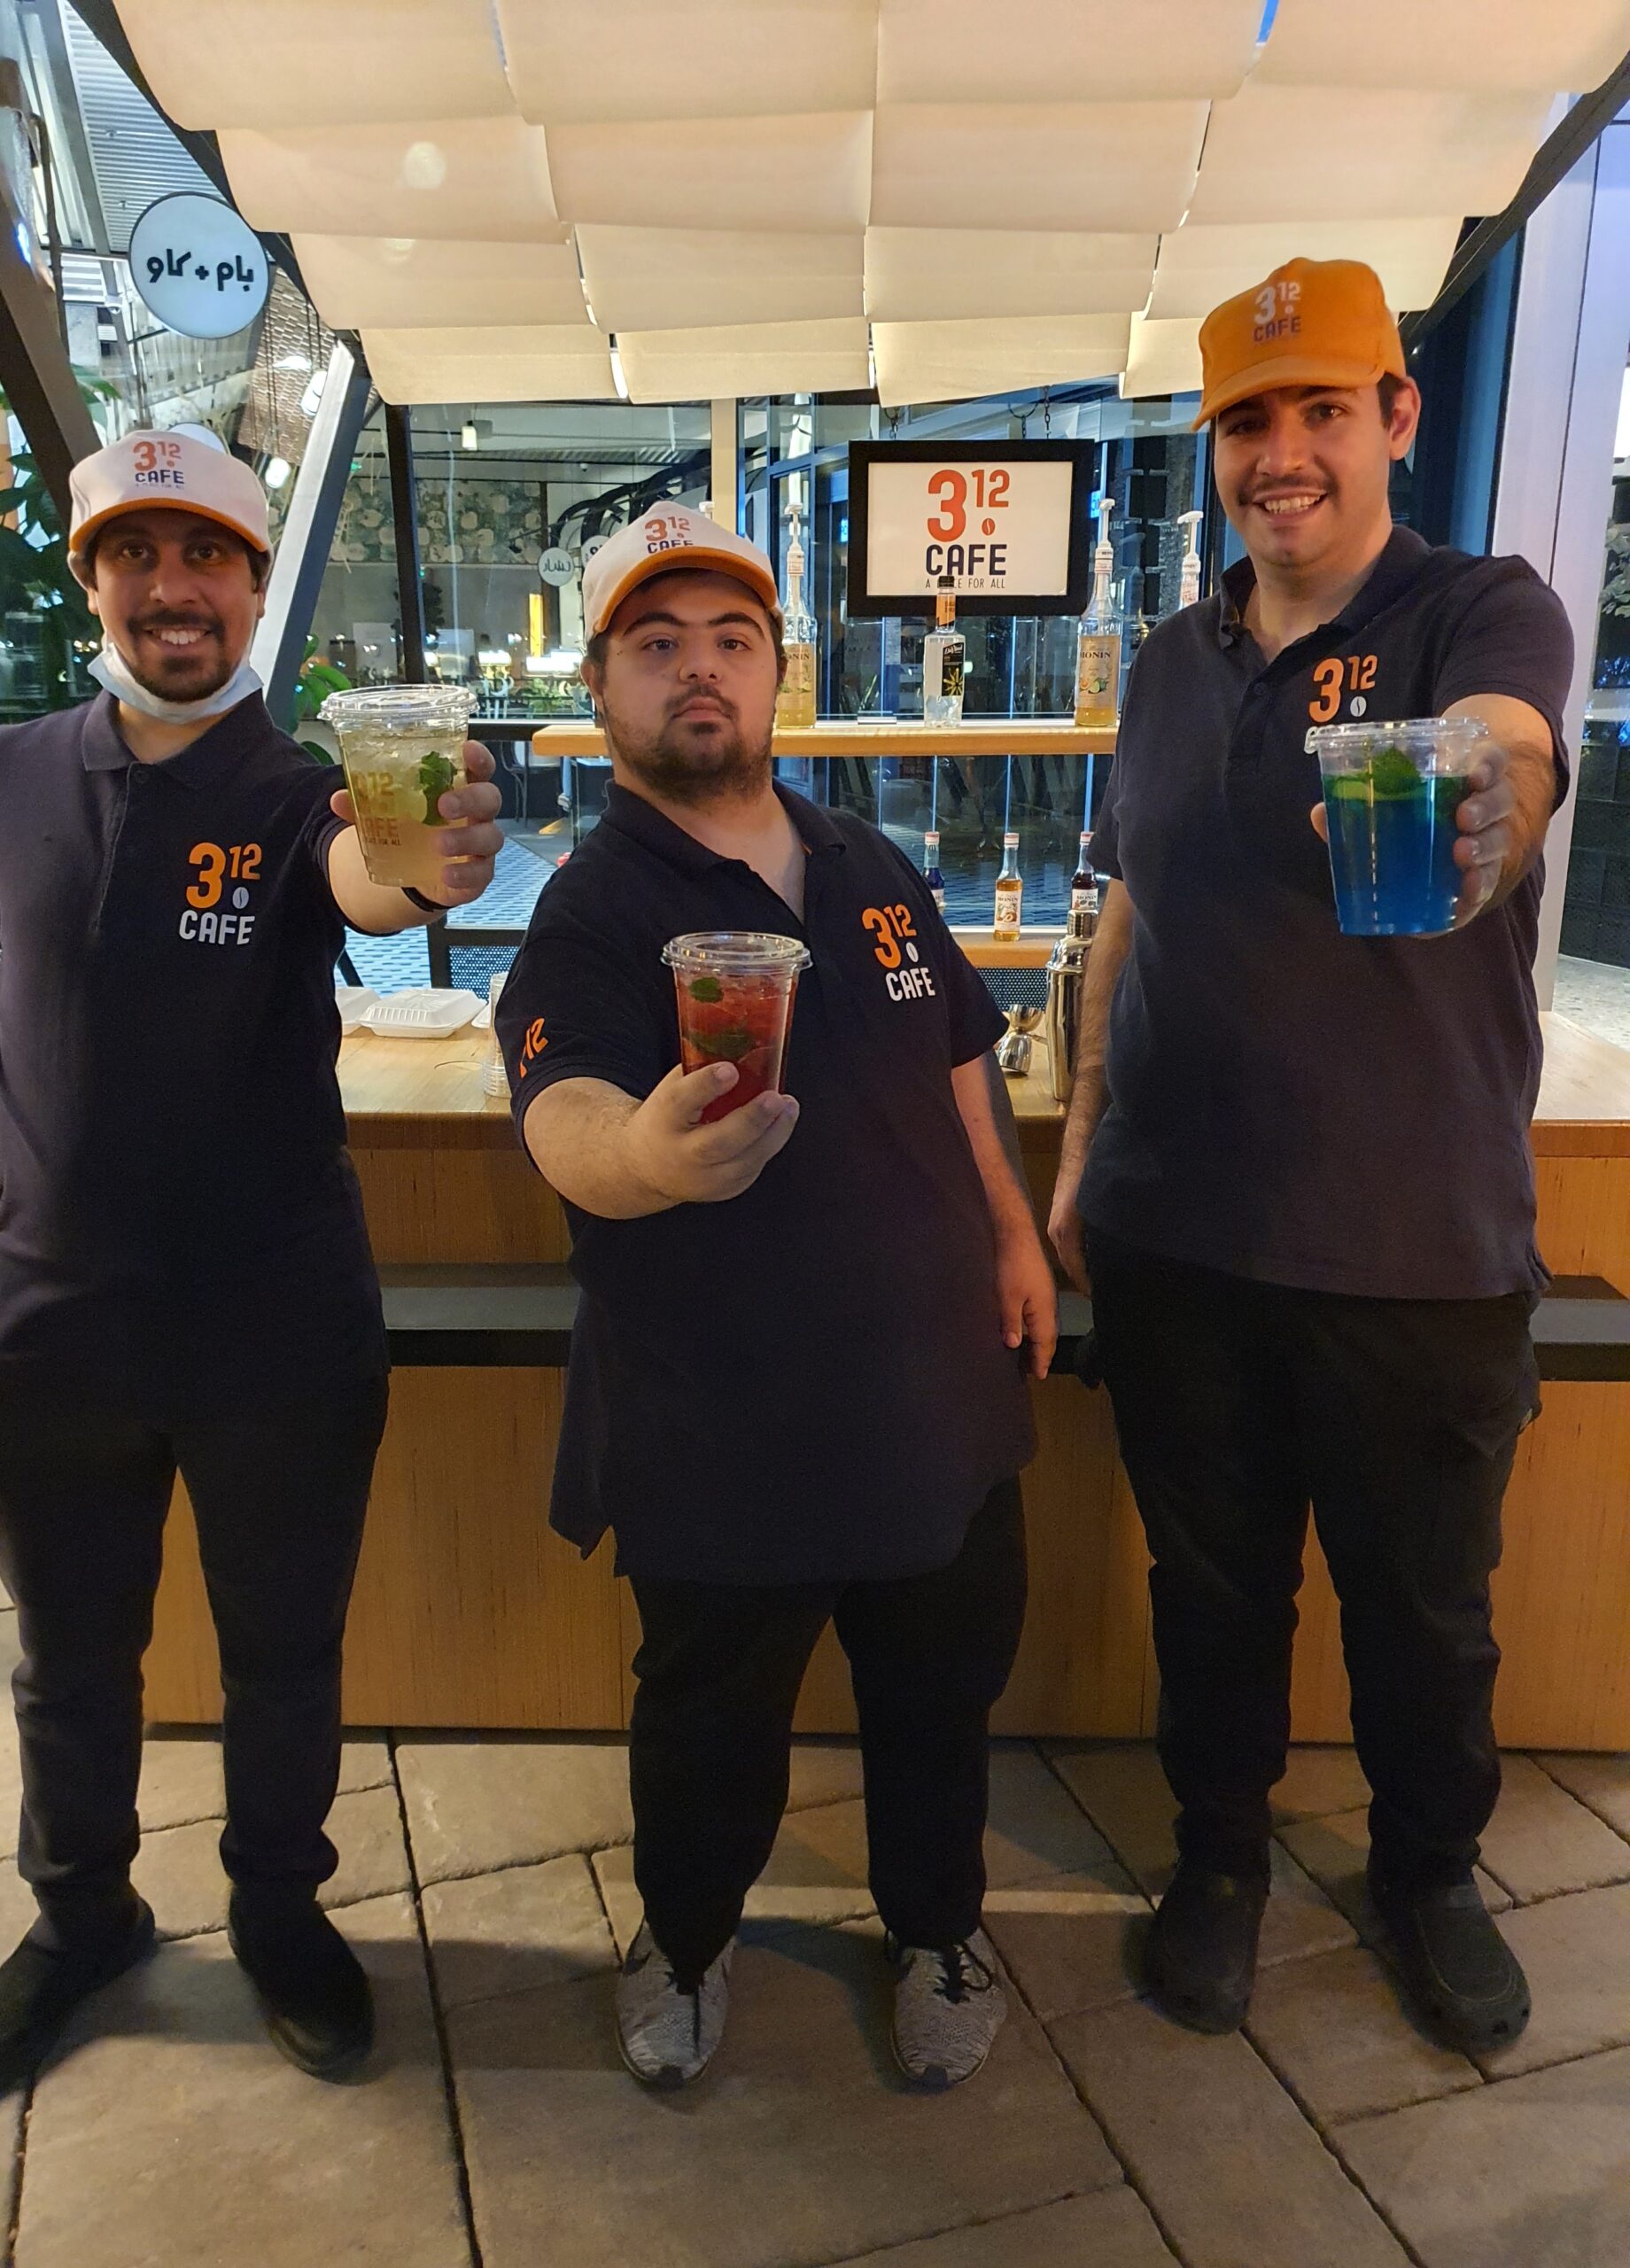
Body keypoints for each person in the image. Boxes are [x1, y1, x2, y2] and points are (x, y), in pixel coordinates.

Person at [0, 428, 504, 2117]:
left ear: (256, 588)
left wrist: (427, 854)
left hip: (273, 1311)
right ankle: (79, 1917)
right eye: (135, 553)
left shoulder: (300, 791)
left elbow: (370, 880)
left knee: (281, 1648)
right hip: (48, 1313)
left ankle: (277, 1909)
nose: (171, 588)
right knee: (66, 1655)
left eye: (207, 557)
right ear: (92, 578)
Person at [1048, 260, 1572, 2054]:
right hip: (1178, 1235)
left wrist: (1494, 793)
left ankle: (1430, 1873)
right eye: (1248, 421)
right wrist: (1080, 1147)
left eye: (1324, 411)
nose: (1284, 454)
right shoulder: (1169, 662)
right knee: (1211, 1594)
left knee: (1425, 1611)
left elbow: (1511, 741)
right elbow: (1127, 908)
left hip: (1416, 1245)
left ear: (1397, 418)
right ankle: (1218, 1860)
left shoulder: (1472, 610)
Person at [494, 505, 1053, 2091]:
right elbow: (561, 1114)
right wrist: (649, 1158)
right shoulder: (594, 903)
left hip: (933, 1396)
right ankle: (683, 1941)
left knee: (938, 1700)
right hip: (718, 1417)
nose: (701, 670)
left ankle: (939, 1927)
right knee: (709, 1722)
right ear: (601, 687)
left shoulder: (865, 859)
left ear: (776, 673)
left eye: (731, 641)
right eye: (657, 644)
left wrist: (1013, 1231)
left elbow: (960, 1058)